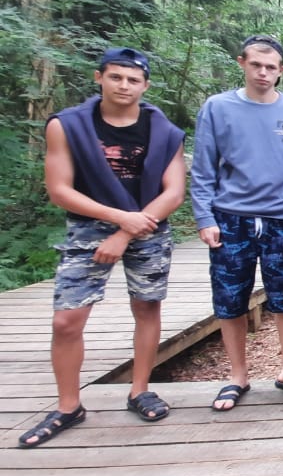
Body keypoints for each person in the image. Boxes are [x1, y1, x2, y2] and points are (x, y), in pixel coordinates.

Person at [19, 48, 186, 448]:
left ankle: (140, 389)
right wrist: (118, 219)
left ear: (145, 85)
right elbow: (59, 189)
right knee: (67, 320)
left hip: (148, 224)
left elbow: (174, 192)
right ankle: (68, 405)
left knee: (147, 307)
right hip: (88, 225)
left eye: (133, 80)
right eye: (116, 77)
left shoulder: (164, 131)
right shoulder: (68, 125)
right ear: (99, 78)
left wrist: (127, 231)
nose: (124, 86)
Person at [190, 34, 283, 411]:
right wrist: (204, 217)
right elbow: (203, 169)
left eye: (270, 67)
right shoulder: (218, 108)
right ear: (242, 63)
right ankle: (237, 375)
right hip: (231, 218)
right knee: (230, 298)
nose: (263, 72)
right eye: (256, 65)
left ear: (281, 70)